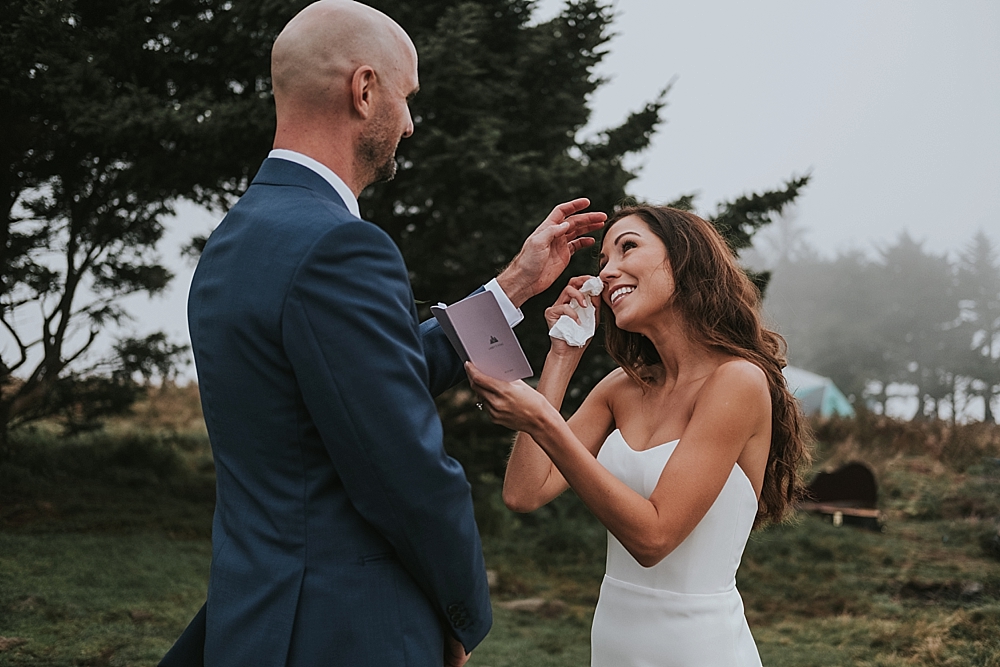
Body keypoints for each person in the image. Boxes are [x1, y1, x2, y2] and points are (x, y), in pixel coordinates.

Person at [158, 2, 606, 666]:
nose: (411, 123)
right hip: (346, 627)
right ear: (364, 90)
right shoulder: (341, 245)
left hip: (255, 614)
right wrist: (458, 610)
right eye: (406, 97)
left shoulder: (238, 236)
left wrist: (513, 285)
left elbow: (361, 381)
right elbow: (406, 470)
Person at [466, 205, 810, 666]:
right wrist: (562, 356)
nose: (608, 271)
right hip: (612, 641)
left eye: (628, 247)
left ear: (686, 259)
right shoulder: (621, 388)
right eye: (603, 260)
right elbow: (525, 492)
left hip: (697, 648)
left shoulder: (737, 382)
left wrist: (543, 421)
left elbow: (654, 538)